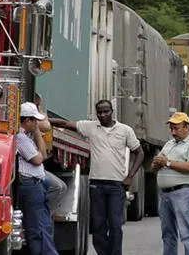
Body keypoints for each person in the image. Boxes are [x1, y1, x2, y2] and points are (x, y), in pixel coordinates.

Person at [49, 99, 144, 255]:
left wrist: (130, 175)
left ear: (112, 111)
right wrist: (44, 119)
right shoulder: (91, 127)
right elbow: (66, 124)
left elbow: (139, 152)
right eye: (99, 112)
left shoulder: (125, 130)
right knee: (98, 225)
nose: (102, 115)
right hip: (97, 184)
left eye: (106, 111)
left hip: (116, 185)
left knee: (115, 225)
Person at [151, 112, 189, 255]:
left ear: (186, 127)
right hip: (165, 194)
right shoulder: (169, 144)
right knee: (168, 233)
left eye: (176, 128)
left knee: (187, 232)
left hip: (183, 192)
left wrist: (167, 163)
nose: (173, 132)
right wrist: (156, 163)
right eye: (171, 129)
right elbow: (158, 164)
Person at [16, 102, 59, 255]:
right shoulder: (20, 138)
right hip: (29, 184)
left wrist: (37, 132)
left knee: (43, 225)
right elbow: (38, 159)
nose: (37, 124)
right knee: (36, 228)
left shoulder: (28, 137)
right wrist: (37, 132)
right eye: (34, 121)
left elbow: (44, 155)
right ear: (27, 121)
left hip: (36, 184)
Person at [34, 93, 68, 216]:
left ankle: (45, 216)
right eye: (37, 106)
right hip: (29, 173)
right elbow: (41, 156)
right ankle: (40, 216)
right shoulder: (24, 132)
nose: (40, 110)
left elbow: (46, 124)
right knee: (57, 187)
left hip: (36, 170)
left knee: (60, 187)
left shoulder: (33, 126)